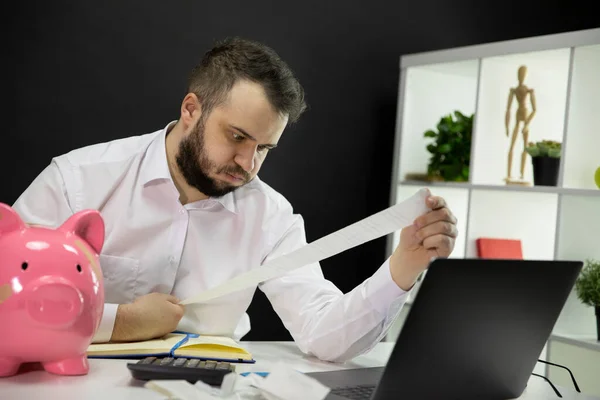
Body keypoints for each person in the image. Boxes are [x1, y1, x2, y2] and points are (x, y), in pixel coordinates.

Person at [12, 37, 458, 362]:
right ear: (191, 110)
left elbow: (326, 337)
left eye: (264, 148)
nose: (248, 164)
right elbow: (4, 306)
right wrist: (121, 322)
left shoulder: (271, 216)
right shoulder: (78, 181)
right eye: (237, 137)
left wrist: (404, 266)